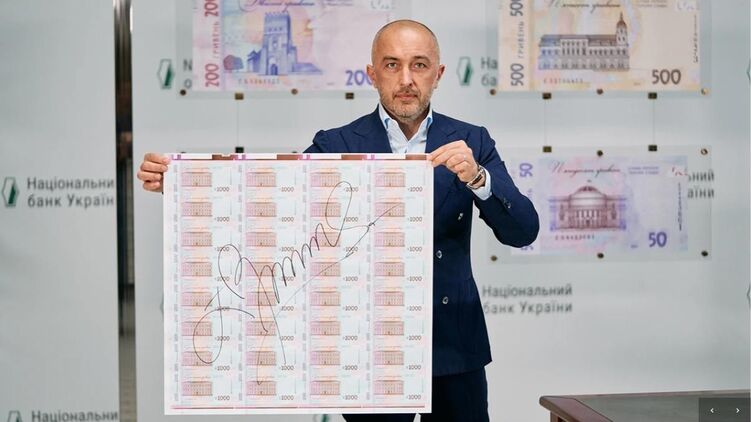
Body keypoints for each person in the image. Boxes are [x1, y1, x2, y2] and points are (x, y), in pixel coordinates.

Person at [138, 20, 538, 422]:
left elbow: (523, 231)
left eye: (419, 65)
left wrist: (479, 179)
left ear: (439, 73)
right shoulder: (336, 144)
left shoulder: (471, 141)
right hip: (366, 348)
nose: (406, 79)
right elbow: (265, 204)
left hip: (454, 342)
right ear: (372, 74)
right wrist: (182, 185)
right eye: (392, 65)